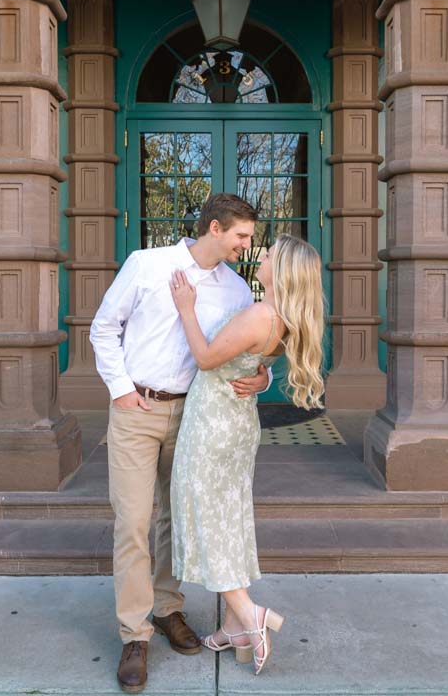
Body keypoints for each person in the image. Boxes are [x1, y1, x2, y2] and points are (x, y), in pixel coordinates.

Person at [89, 193, 272, 694]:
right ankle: (134, 634)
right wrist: (122, 392)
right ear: (215, 228)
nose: (245, 246)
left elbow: (244, 352)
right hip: (136, 411)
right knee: (133, 521)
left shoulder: (235, 290)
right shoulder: (147, 265)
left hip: (194, 416)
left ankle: (168, 609)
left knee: (176, 517)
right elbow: (103, 327)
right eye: (241, 236)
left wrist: (264, 379)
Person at [167, 232, 325, 676]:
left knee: (206, 517)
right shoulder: (283, 321)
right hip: (236, 425)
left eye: (271, 254)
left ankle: (249, 612)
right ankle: (236, 629)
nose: (263, 255)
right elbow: (255, 366)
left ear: (283, 271)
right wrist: (262, 379)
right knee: (226, 519)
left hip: (213, 426)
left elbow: (204, 357)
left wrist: (185, 308)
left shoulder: (260, 314)